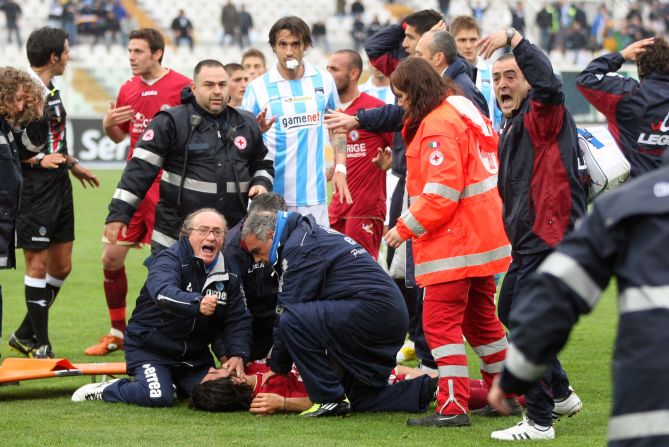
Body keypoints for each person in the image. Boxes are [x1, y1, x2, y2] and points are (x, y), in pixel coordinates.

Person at [488, 153, 669, 447]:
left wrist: (516, 375)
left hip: (648, 392)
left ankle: (554, 401)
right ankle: (560, 394)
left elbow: (556, 298)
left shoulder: (625, 205)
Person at [383, 57, 511, 428]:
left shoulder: (437, 125)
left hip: (454, 245)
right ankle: (507, 395)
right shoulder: (461, 110)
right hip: (481, 239)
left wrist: (403, 227)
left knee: (440, 325)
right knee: (483, 324)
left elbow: (441, 191)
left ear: (417, 91)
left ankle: (452, 404)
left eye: (402, 95)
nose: (400, 103)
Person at [476, 27, 587, 440]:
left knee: (523, 321)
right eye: (496, 79)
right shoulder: (513, 123)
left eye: (511, 75)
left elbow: (550, 83)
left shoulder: (543, 112)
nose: (503, 84)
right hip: (528, 242)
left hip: (550, 238)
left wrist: (514, 38)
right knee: (509, 313)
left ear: (527, 80)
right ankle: (559, 393)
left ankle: (540, 421)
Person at [241, 211, 434, 416]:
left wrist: (278, 366)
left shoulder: (298, 247)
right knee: (358, 396)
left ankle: (329, 400)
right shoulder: (304, 236)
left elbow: (288, 309)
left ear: (271, 235)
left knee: (291, 319)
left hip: (375, 312)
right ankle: (433, 389)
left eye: (257, 251)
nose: (258, 260)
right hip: (384, 313)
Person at [72, 209, 252, 406]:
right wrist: (196, 303)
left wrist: (237, 354)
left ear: (224, 238)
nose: (210, 237)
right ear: (187, 234)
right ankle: (106, 389)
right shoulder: (168, 260)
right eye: (203, 230)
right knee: (157, 396)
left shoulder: (229, 270)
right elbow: (163, 294)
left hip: (193, 355)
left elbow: (238, 317)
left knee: (217, 394)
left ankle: (172, 383)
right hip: (150, 349)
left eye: (217, 232)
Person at [84, 28, 192, 357]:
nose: (131, 57)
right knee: (110, 258)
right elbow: (119, 137)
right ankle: (117, 331)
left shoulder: (182, 86)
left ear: (157, 53)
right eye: (129, 51)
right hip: (133, 186)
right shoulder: (127, 89)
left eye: (138, 52)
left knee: (169, 263)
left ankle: (175, 332)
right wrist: (107, 124)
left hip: (166, 185)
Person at [105, 59, 274, 256]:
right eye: (209, 85)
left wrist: (261, 182)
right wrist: (119, 214)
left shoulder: (246, 123)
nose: (217, 91)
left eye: (222, 84)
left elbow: (263, 164)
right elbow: (138, 171)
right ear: (193, 87)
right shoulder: (170, 122)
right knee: (166, 287)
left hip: (230, 237)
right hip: (175, 237)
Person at [9, 27, 99, 360]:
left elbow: (53, 137)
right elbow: (10, 142)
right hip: (34, 186)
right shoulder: (21, 94)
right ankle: (40, 344)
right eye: (66, 50)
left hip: (59, 181)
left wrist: (72, 163)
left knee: (61, 266)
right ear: (53, 57)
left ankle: (23, 333)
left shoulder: (52, 89)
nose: (69, 55)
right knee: (37, 263)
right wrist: (36, 159)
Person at [242, 16, 350, 226]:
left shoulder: (323, 80)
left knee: (313, 257)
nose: (289, 51)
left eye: (295, 44)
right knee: (271, 257)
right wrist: (256, 129)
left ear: (306, 46)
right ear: (274, 47)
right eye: (283, 44)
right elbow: (244, 139)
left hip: (313, 195)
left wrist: (340, 168)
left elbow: (337, 127)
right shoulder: (257, 88)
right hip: (270, 195)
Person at [190, 362, 501, 414]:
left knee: (440, 382)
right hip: (360, 387)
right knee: (436, 389)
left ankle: (519, 391)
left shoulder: (256, 368)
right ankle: (523, 396)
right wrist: (283, 404)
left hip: (361, 369)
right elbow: (326, 399)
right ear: (229, 382)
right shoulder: (268, 398)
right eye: (214, 373)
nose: (216, 366)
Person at [326, 50, 393, 259]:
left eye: (334, 70)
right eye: (327, 69)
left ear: (353, 73)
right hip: (336, 209)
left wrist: (390, 163)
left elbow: (403, 149)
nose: (328, 75)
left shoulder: (375, 109)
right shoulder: (329, 110)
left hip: (366, 208)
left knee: (361, 272)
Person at [576, 37, 669, 177]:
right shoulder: (628, 93)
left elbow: (586, 79)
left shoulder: (626, 94)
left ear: (639, 64)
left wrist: (621, 55)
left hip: (632, 190)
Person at [0, 68, 44, 348]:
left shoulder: (6, 128)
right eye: (16, 100)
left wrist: (35, 109)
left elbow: (29, 148)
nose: (19, 107)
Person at [223, 192, 287, 361]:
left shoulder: (292, 236)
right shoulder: (232, 249)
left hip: (284, 318)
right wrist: (234, 353)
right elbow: (234, 309)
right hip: (251, 324)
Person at [414, 30, 489, 114]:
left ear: (438, 58)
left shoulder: (461, 91)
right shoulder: (442, 84)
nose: (414, 59)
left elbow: (477, 125)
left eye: (419, 55)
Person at [450, 15, 502, 130]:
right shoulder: (446, 75)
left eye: (473, 39)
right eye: (462, 40)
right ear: (452, 42)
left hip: (488, 144)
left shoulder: (493, 72)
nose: (468, 46)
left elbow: (501, 115)